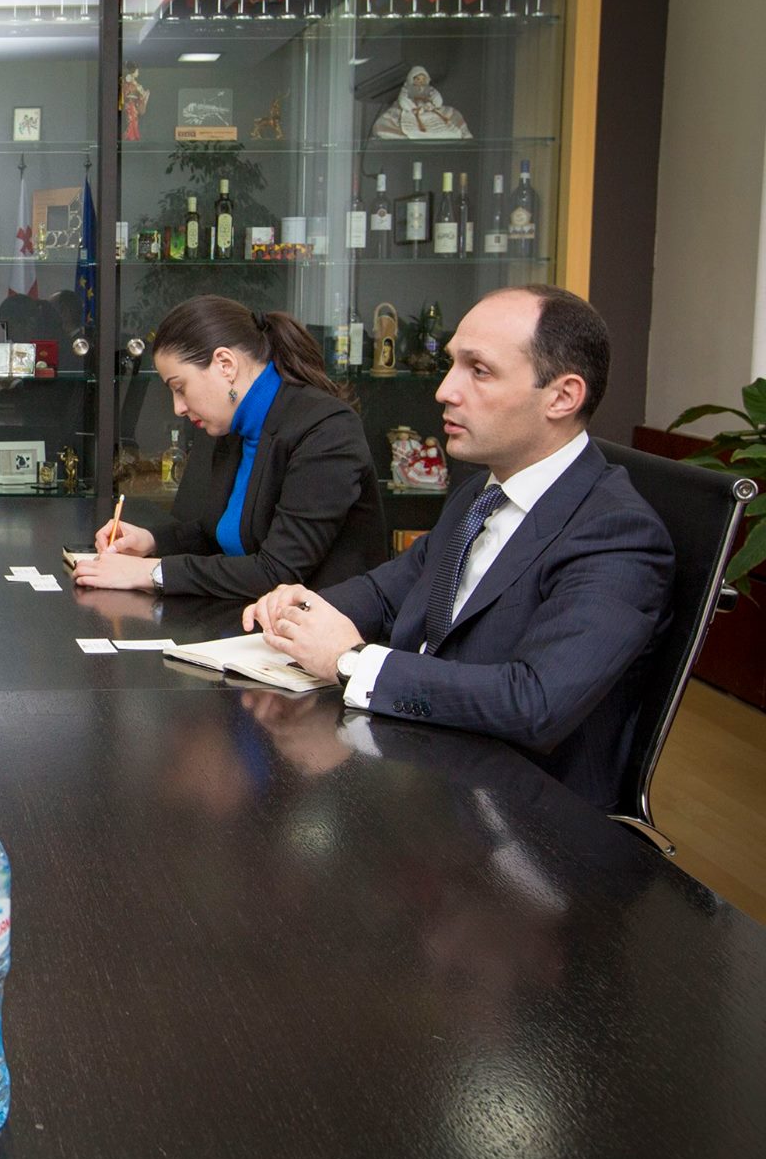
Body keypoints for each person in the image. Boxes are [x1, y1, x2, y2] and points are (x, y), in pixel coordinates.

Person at [242, 286, 675, 812]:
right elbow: (390, 592)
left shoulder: (618, 534)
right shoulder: (481, 492)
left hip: (521, 819)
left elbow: (534, 703)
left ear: (562, 397)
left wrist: (350, 661)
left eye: (480, 371)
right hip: (426, 767)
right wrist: (303, 610)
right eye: (451, 365)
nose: (445, 390)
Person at [75, 295, 384, 599]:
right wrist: (151, 541)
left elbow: (278, 572)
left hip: (320, 623)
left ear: (225, 364)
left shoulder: (327, 430)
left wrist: (152, 572)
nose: (178, 408)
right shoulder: (234, 426)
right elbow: (216, 535)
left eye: (180, 388)